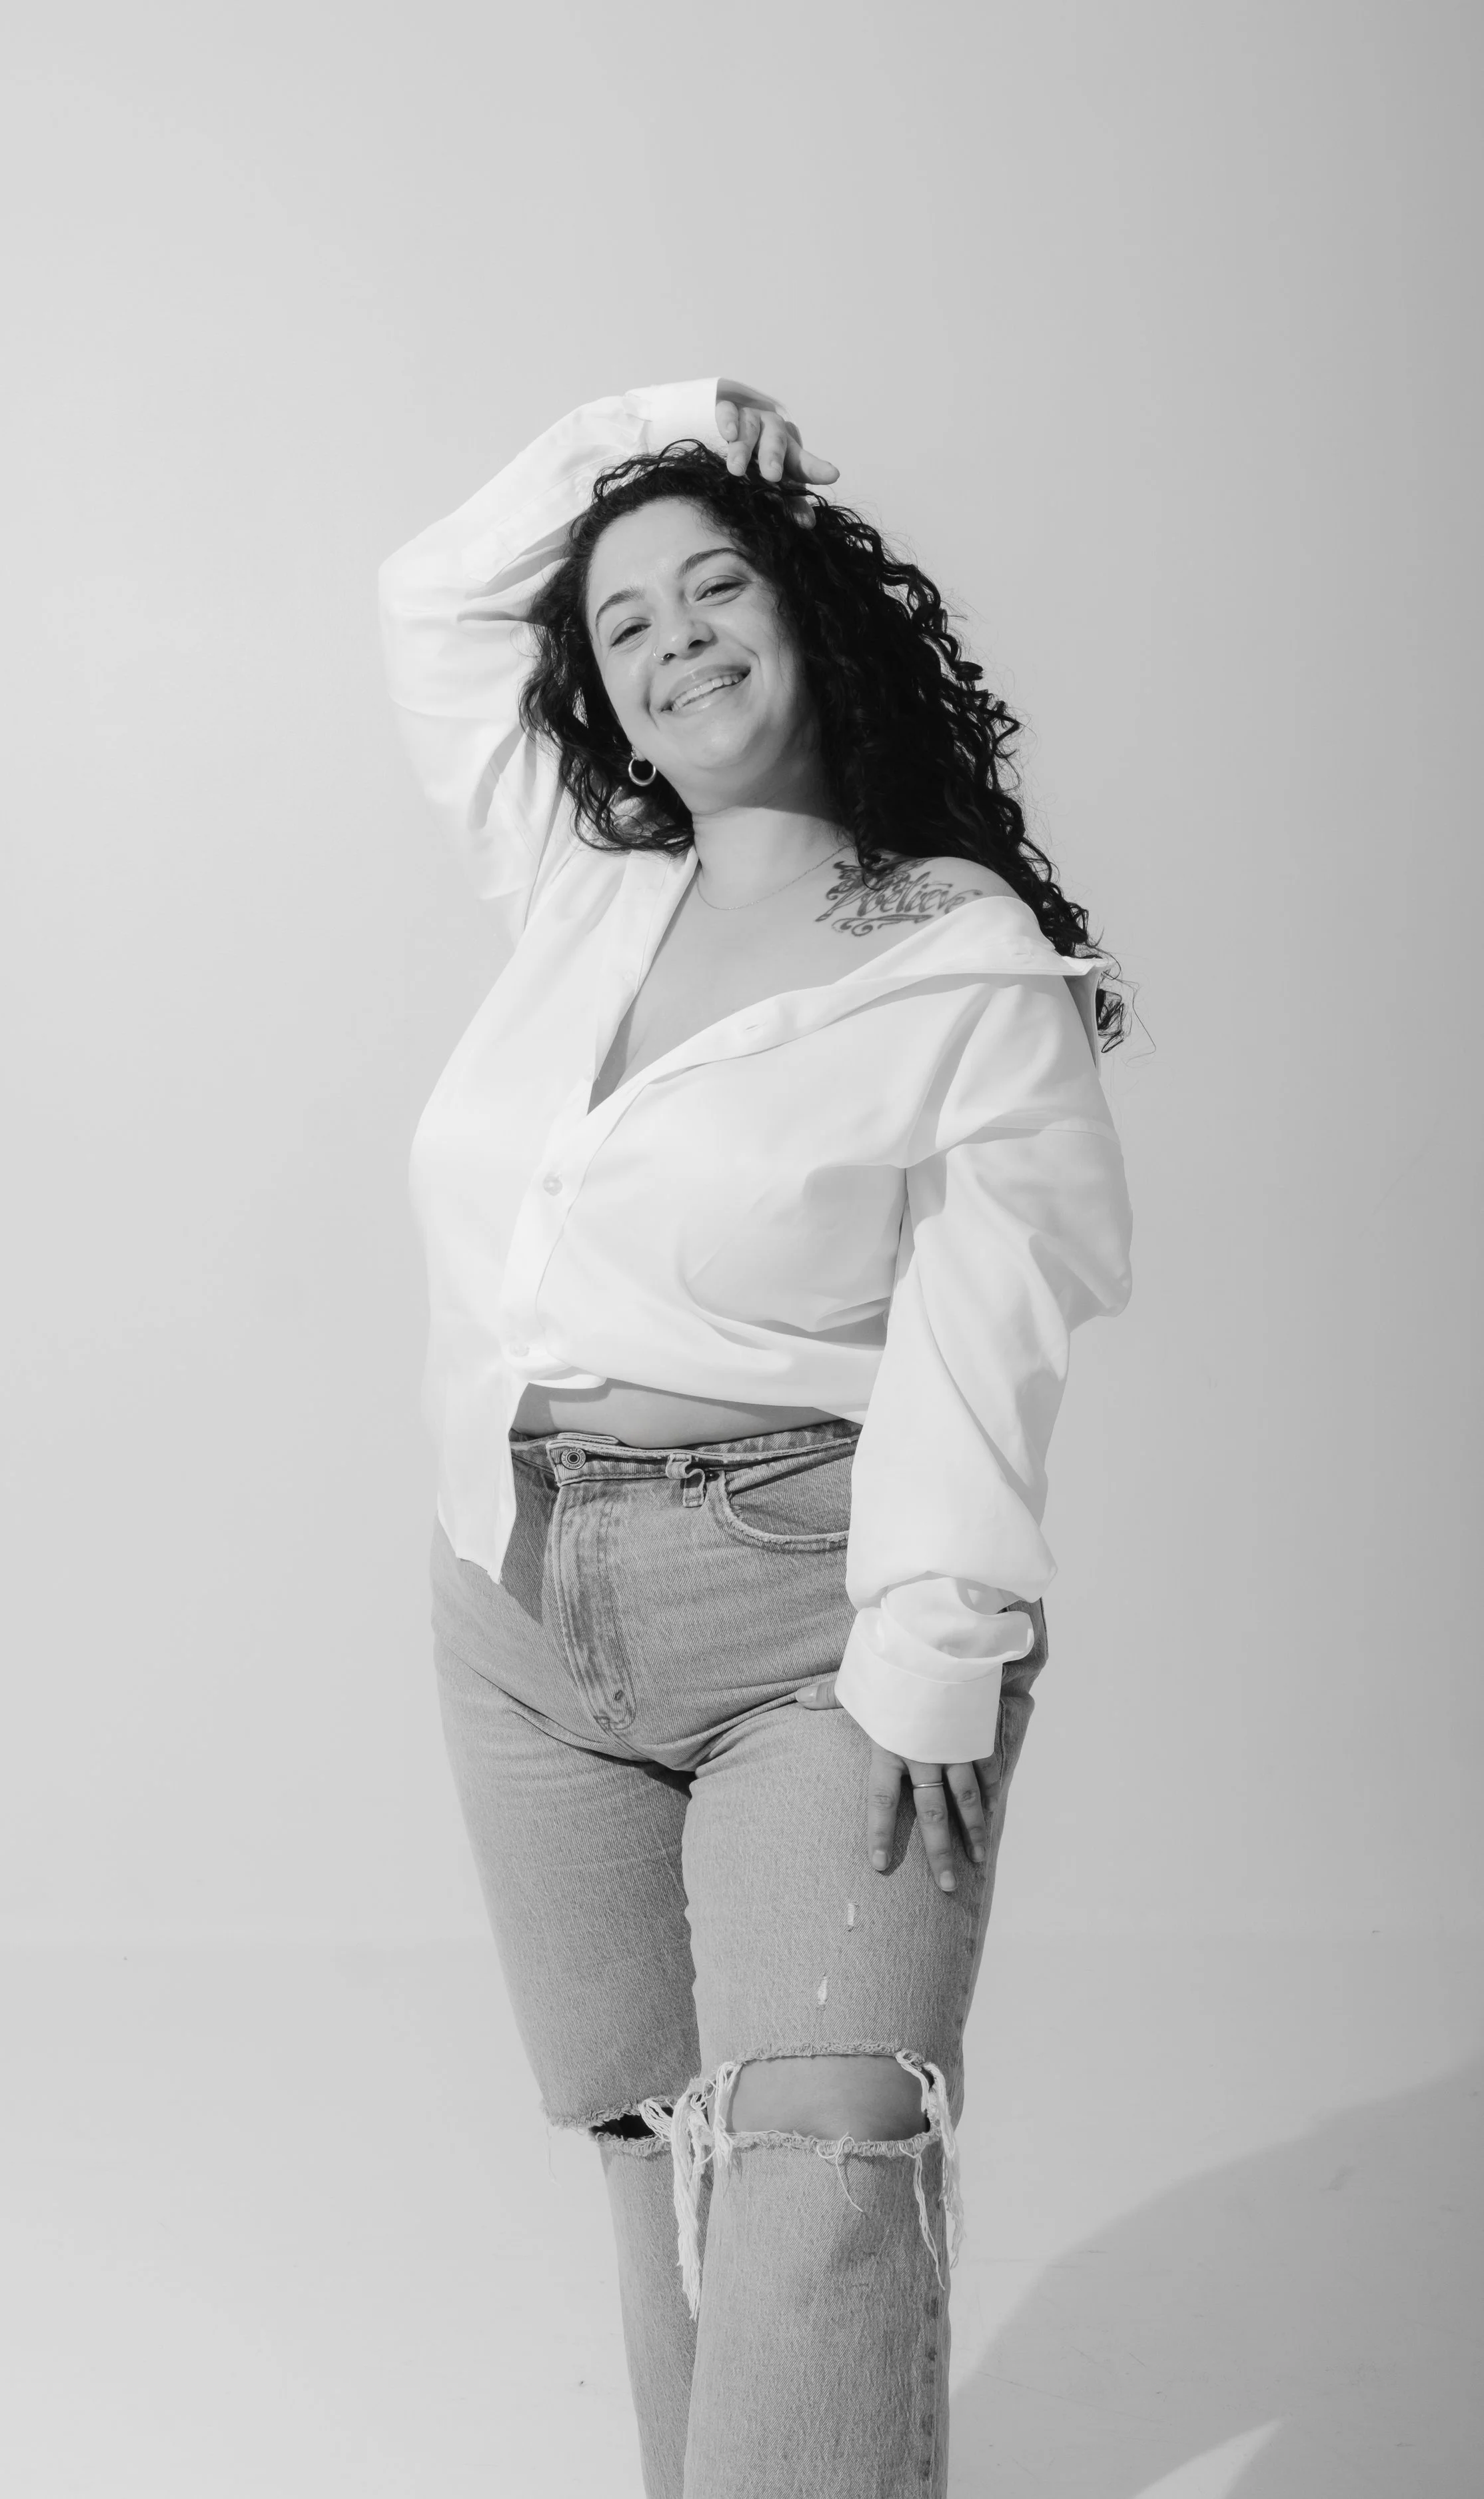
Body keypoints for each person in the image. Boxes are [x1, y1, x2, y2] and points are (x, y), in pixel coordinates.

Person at [378, 376, 1133, 2499]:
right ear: (600, 701)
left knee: (822, 2149)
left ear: (816, 616)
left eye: (721, 584)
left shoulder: (961, 963)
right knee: (658, 2144)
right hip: (517, 1600)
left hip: (809, 1599)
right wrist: (669, 427)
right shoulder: (582, 888)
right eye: (627, 624)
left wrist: (925, 1675)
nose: (677, 637)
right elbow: (433, 597)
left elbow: (996, 1341)